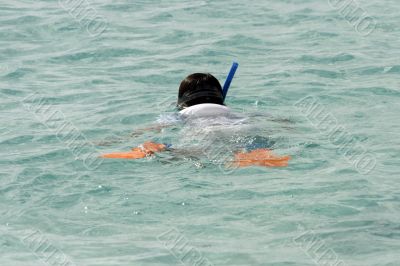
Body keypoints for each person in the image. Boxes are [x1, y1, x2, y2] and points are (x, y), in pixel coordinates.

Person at [101, 73, 290, 168]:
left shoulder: (180, 115)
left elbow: (150, 129)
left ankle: (146, 152)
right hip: (242, 130)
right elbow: (280, 122)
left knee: (156, 145)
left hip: (205, 138)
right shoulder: (234, 113)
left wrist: (111, 141)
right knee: (251, 147)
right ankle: (253, 155)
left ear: (181, 100)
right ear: (221, 98)